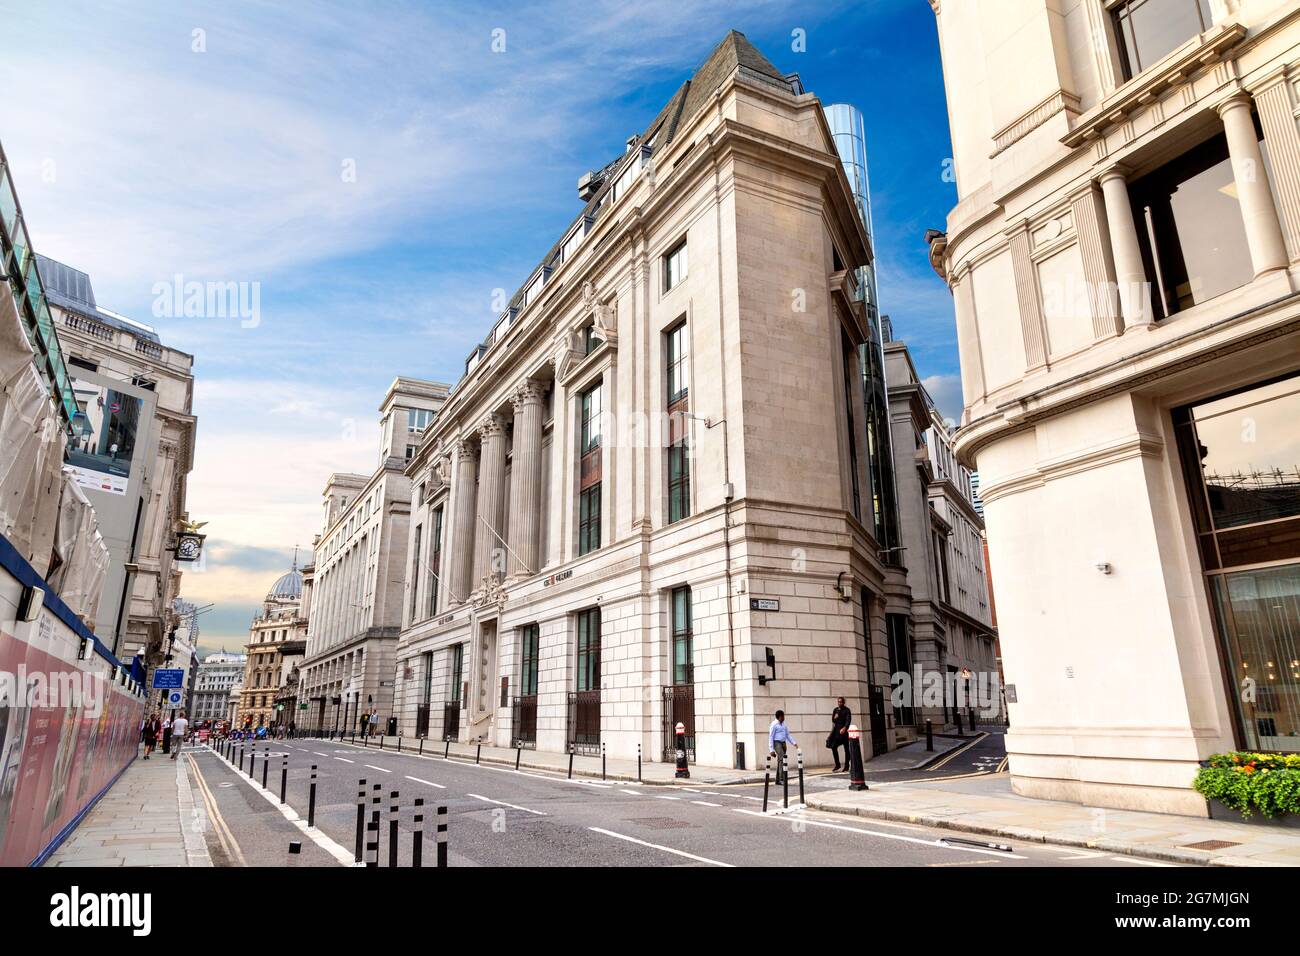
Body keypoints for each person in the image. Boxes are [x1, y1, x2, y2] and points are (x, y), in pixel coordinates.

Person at [768, 709, 797, 784]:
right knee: (782, 759)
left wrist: (794, 743)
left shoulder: (784, 724)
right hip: (777, 743)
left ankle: (777, 780)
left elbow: (788, 735)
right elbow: (771, 737)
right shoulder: (774, 724)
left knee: (780, 760)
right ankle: (781, 779)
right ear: (780, 717)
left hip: (783, 743)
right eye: (783, 716)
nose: (784, 717)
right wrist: (771, 750)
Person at [827, 697, 852, 772]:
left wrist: (844, 728)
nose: (839, 703)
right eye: (838, 702)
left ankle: (847, 766)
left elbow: (848, 721)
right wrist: (835, 717)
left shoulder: (847, 710)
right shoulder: (835, 710)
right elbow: (833, 721)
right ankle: (837, 765)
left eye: (841, 702)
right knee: (833, 747)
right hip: (837, 733)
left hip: (844, 734)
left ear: (844, 702)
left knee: (846, 750)